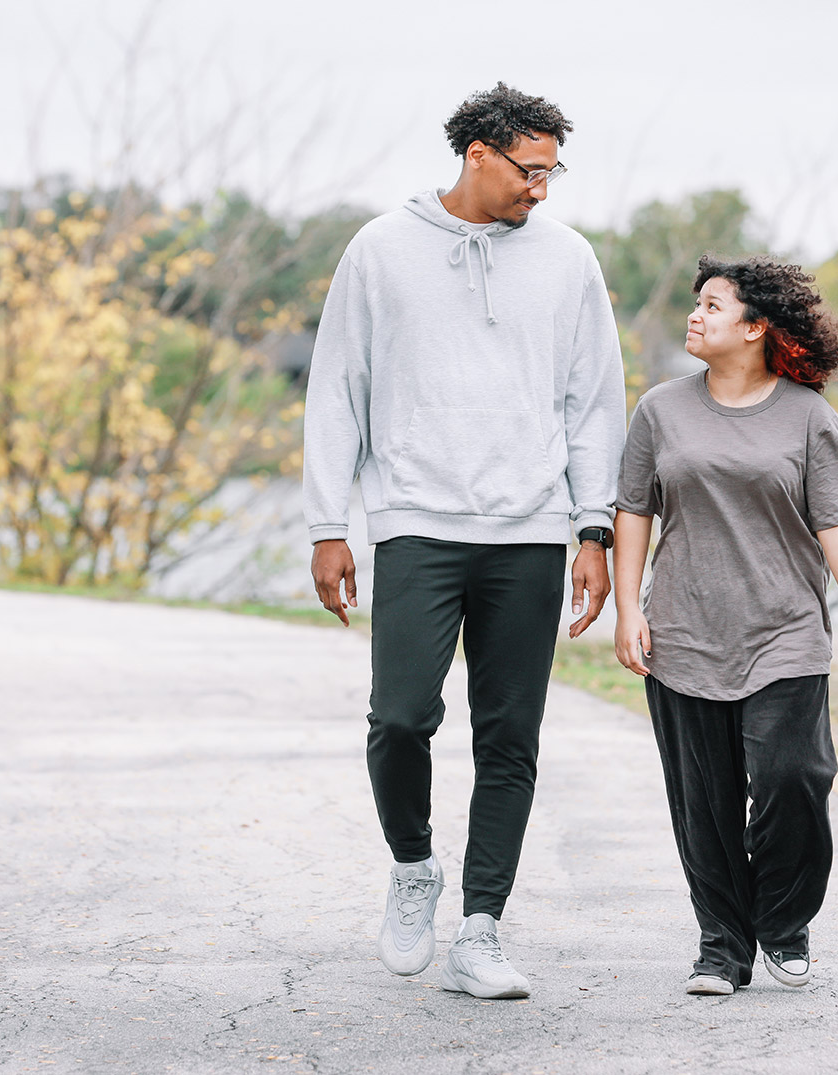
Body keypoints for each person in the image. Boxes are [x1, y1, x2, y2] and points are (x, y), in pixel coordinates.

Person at [302, 83, 625, 999]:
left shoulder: (568, 261)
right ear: (476, 153)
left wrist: (590, 525)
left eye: (554, 170)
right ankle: (413, 865)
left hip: (528, 531)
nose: (544, 189)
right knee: (399, 717)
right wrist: (329, 523)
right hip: (415, 520)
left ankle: (481, 927)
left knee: (509, 736)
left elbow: (593, 399)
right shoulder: (380, 250)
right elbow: (337, 389)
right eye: (531, 170)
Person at [612, 254, 838, 996]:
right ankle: (720, 947)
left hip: (785, 631)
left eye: (711, 305)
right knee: (702, 802)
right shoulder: (659, 409)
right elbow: (632, 509)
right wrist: (629, 606)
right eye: (696, 304)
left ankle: (783, 913)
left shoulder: (806, 415)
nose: (694, 316)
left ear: (756, 326)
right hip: (683, 631)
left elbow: (836, 524)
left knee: (794, 775)